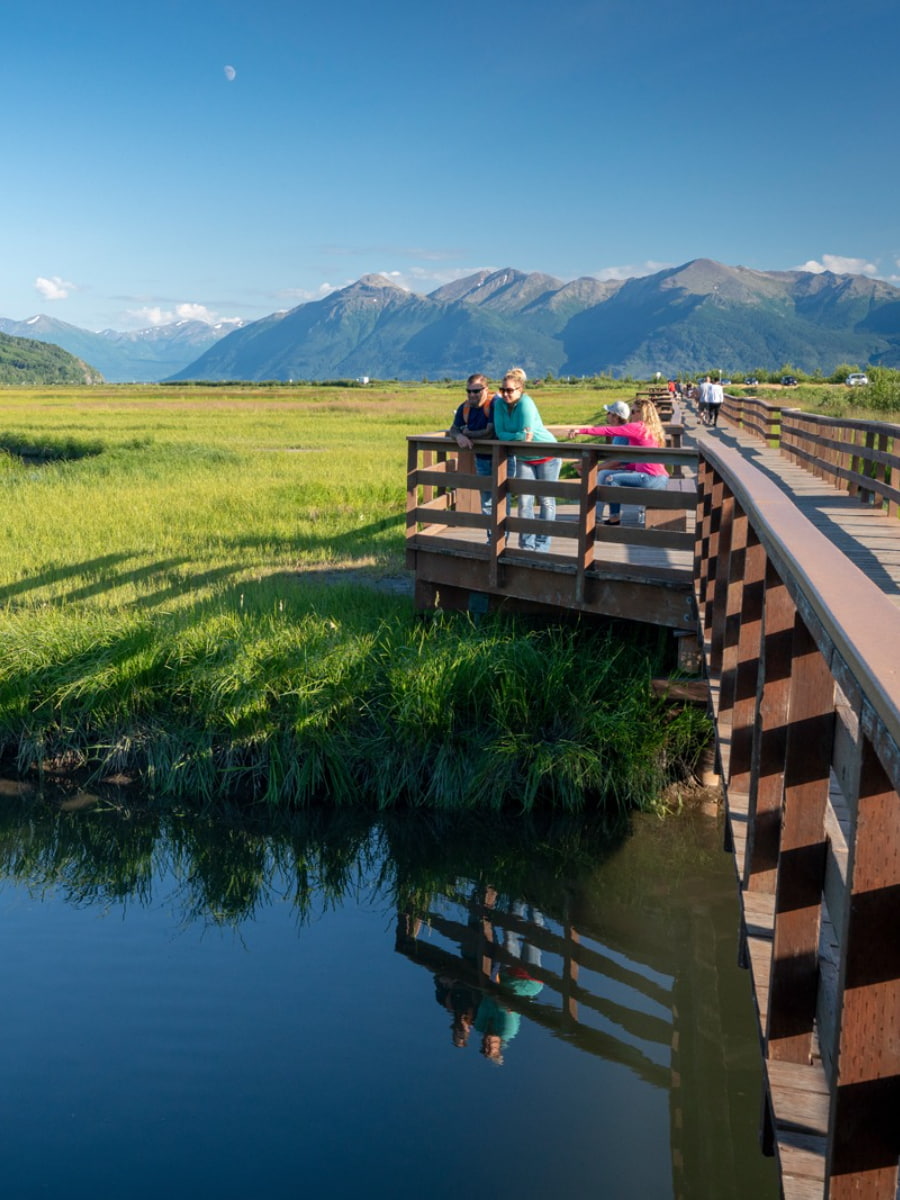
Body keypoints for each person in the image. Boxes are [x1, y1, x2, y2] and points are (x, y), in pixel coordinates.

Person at [568, 397, 669, 526]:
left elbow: (608, 430)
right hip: (658, 477)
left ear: (641, 413)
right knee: (607, 474)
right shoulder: (651, 429)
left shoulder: (638, 427)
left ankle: (614, 518)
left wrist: (581, 431)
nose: (630, 415)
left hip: (650, 478)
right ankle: (596, 515)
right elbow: (640, 462)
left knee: (612, 479)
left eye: (633, 412)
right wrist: (619, 467)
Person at [492, 369, 561, 551]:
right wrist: (517, 436)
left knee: (546, 501)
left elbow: (527, 438)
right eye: (502, 390)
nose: (505, 394)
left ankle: (542, 545)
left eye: (510, 390)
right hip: (524, 457)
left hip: (547, 455)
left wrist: (514, 436)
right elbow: (501, 434)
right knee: (524, 502)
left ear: (520, 389)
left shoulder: (526, 403)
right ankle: (526, 546)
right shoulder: (499, 405)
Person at [448, 374, 498, 539]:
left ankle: (503, 540)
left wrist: (470, 434)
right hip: (482, 458)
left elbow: (490, 432)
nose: (472, 395)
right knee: (487, 500)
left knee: (504, 498)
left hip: (502, 458)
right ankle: (493, 540)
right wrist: (460, 437)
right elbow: (454, 428)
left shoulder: (494, 405)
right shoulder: (465, 407)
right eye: (469, 391)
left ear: (486, 389)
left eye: (476, 391)